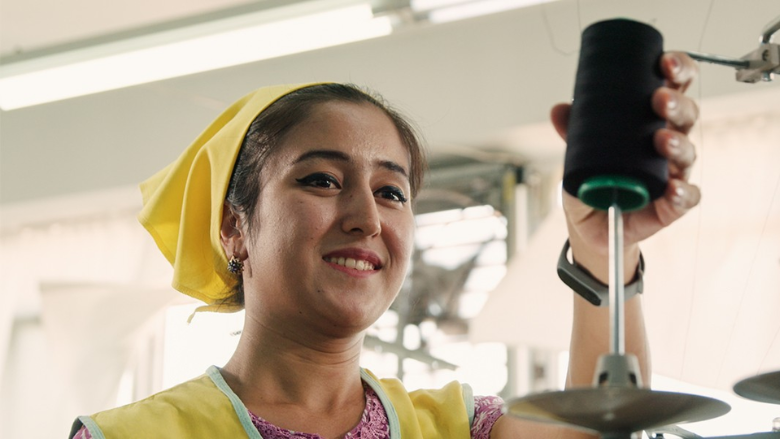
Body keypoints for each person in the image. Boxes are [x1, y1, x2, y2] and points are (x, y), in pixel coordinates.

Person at [69, 51, 700, 438]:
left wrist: (601, 246)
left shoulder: (456, 428)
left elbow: (603, 423)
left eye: (392, 192)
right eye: (321, 180)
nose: (366, 217)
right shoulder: (131, 436)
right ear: (235, 225)